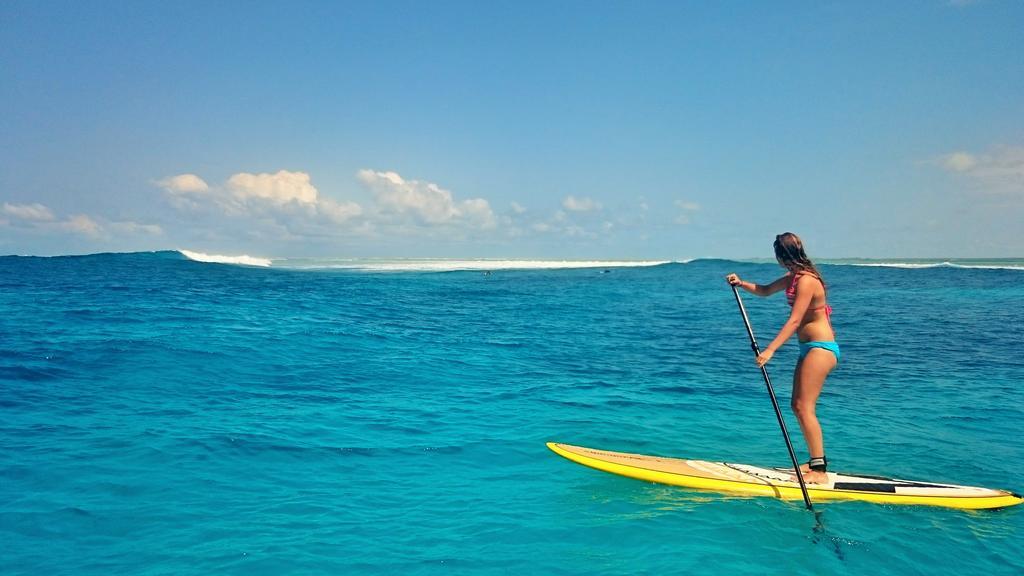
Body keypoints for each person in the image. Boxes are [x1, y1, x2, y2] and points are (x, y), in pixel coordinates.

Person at [725, 232, 838, 483]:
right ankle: (814, 460)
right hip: (809, 348)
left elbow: (795, 319)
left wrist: (770, 350)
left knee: (804, 407)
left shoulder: (807, 281)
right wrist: (741, 284)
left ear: (782, 255)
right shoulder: (793, 278)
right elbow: (765, 291)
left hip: (821, 348)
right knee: (797, 406)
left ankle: (819, 470)